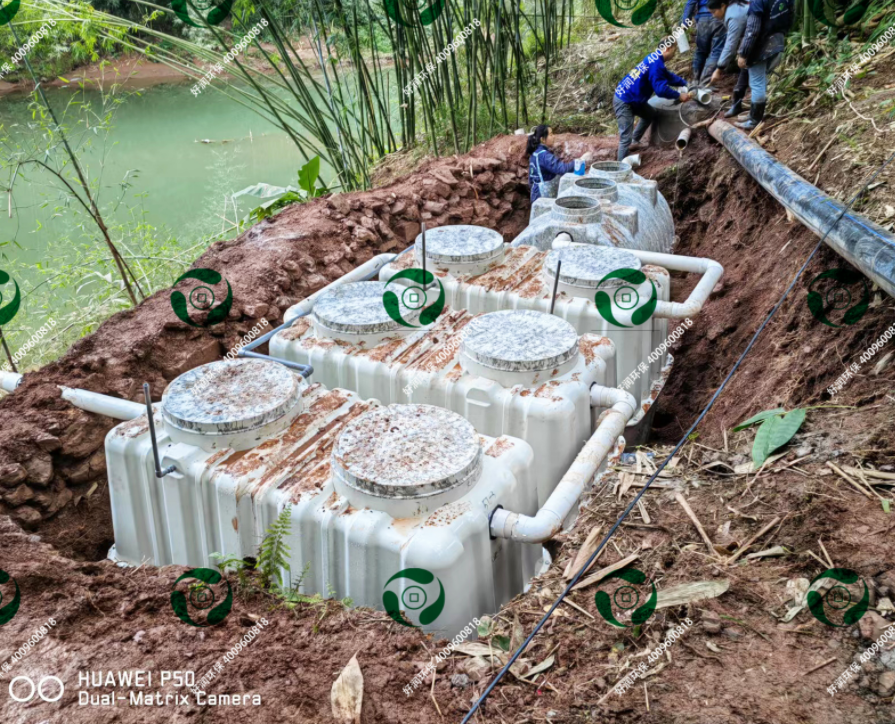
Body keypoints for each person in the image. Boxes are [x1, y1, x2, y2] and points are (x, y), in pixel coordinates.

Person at [614, 42, 692, 161]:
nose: (674, 55)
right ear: (667, 48)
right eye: (674, 51)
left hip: (634, 99)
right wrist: (679, 96)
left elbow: (667, 76)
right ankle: (620, 168)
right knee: (625, 138)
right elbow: (660, 90)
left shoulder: (654, 58)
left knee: (650, 114)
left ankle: (635, 140)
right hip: (624, 100)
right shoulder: (656, 63)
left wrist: (684, 83)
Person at [731, 0, 794, 130]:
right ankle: (753, 114)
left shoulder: (757, 2)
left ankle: (754, 120)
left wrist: (743, 54)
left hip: (761, 46)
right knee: (761, 79)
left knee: (757, 83)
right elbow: (790, 17)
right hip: (777, 41)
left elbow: (752, 30)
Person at [526, 126, 591, 203]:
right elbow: (562, 169)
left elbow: (530, 179)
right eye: (551, 134)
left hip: (536, 192)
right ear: (542, 139)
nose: (554, 136)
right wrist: (581, 160)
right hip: (543, 195)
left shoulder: (536, 153)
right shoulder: (544, 156)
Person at [707, 0, 749, 102]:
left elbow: (730, 45)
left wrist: (718, 69)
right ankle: (739, 99)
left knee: (746, 65)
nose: (713, 16)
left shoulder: (734, 16)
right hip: (751, 38)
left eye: (714, 12)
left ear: (722, 6)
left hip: (763, 39)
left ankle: (744, 99)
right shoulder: (732, 9)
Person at [683, 0, 727, 83]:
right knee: (717, 51)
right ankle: (705, 82)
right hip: (719, 14)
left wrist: (685, 22)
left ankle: (695, 80)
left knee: (701, 51)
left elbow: (691, 2)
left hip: (703, 17)